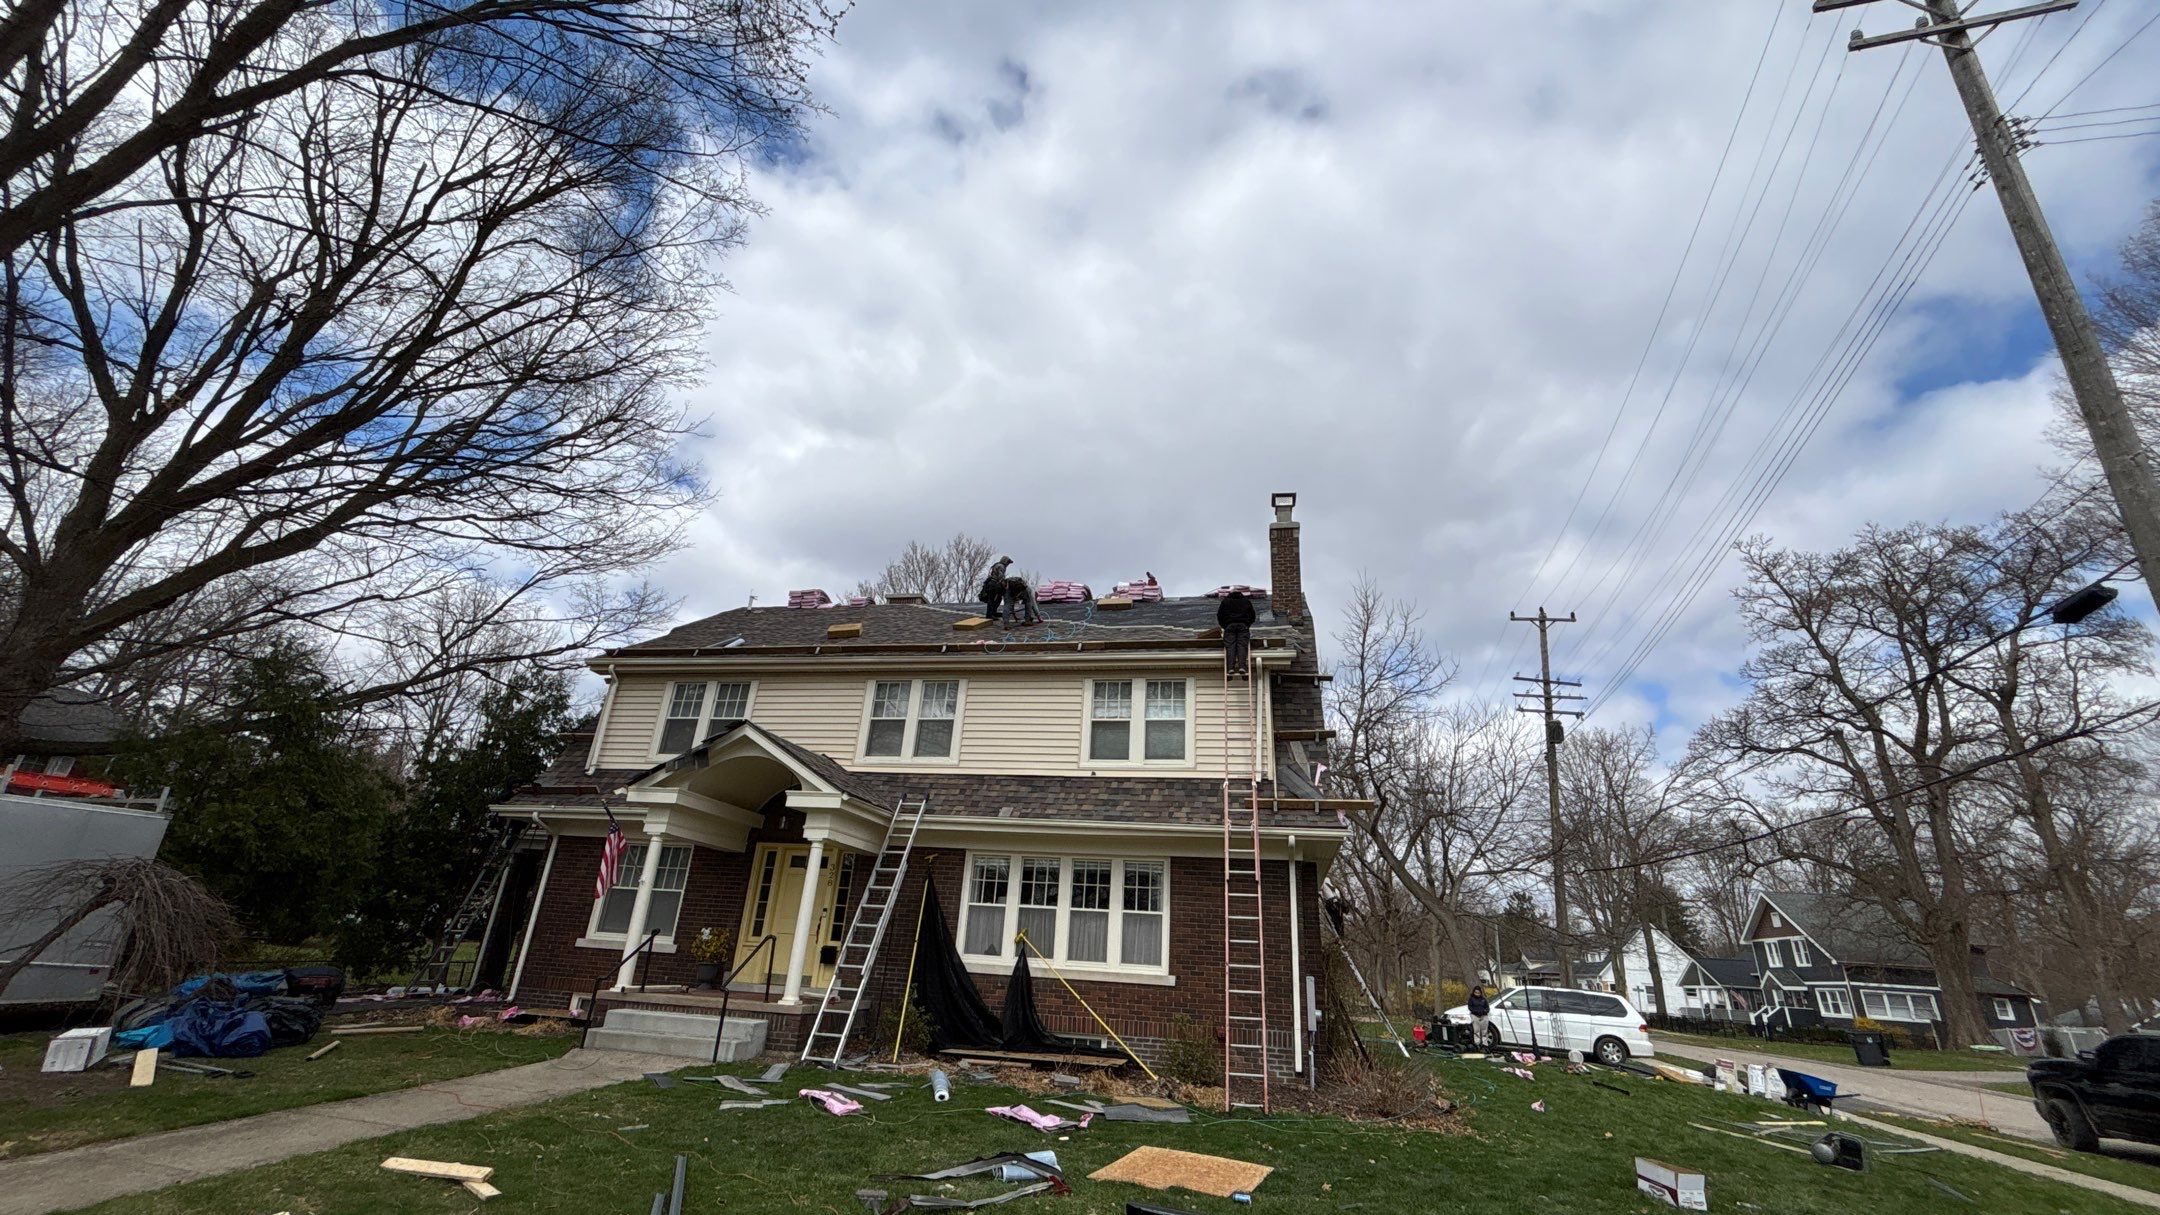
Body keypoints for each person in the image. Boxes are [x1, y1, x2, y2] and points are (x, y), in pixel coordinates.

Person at [1217, 590, 1256, 676]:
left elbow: (1219, 615)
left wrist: (1225, 626)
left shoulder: (1225, 602)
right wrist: (1247, 624)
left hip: (1229, 626)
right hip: (1243, 626)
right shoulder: (1246, 601)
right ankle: (1242, 667)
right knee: (1242, 645)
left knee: (1230, 647)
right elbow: (1253, 615)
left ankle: (1231, 668)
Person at [1466, 983, 1491, 1047]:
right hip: (1475, 1016)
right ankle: (1477, 1043)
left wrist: (1485, 1011)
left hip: (1483, 1016)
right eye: (1476, 992)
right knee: (1476, 1030)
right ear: (1474, 992)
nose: (1477, 994)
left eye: (1478, 993)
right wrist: (1476, 1011)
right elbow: (1470, 1007)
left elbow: (1487, 1007)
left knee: (1484, 1030)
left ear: (1480, 993)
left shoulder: (1483, 999)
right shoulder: (1471, 999)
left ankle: (1485, 1043)